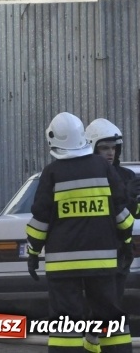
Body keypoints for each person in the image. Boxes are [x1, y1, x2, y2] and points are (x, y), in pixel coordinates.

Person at [26, 112, 133, 353]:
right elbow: (120, 213)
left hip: (63, 266)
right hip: (103, 262)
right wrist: (127, 242)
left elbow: (41, 220)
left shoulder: (51, 173)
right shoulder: (102, 169)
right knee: (110, 318)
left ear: (54, 141)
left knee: (67, 322)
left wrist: (33, 252)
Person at [85, 118, 140, 305]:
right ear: (93, 148)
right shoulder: (88, 176)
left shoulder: (127, 176)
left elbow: (134, 214)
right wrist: (126, 196)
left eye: (114, 148)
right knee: (94, 305)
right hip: (94, 249)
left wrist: (133, 201)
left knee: (114, 302)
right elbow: (102, 210)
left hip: (121, 251)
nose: (110, 152)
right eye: (105, 148)